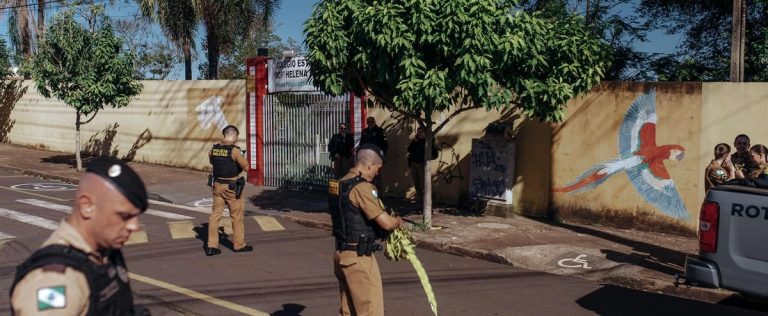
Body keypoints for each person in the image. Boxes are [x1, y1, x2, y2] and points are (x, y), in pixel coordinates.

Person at [10, 157, 150, 315]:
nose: (135, 226)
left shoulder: (105, 252)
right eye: (124, 216)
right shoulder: (54, 282)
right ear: (87, 206)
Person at [328, 144, 405, 316]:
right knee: (370, 312)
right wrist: (397, 222)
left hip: (341, 256)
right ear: (369, 165)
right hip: (359, 259)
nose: (378, 173)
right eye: (378, 168)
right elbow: (385, 223)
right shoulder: (363, 188)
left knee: (348, 312)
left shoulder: (338, 184)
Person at [206, 125, 252, 256]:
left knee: (215, 216)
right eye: (237, 137)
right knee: (236, 217)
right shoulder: (235, 151)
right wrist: (242, 157)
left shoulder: (213, 149)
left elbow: (214, 162)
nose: (237, 139)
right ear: (233, 136)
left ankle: (211, 246)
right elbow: (247, 167)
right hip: (231, 188)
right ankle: (239, 245)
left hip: (217, 186)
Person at [407, 126, 439, 199]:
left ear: (425, 133)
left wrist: (427, 158)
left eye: (421, 132)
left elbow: (435, 154)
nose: (419, 133)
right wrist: (414, 141)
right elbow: (409, 150)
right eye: (418, 132)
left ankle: (425, 204)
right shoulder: (416, 140)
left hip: (422, 165)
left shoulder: (429, 141)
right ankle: (419, 202)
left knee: (423, 186)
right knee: (416, 184)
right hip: (413, 164)